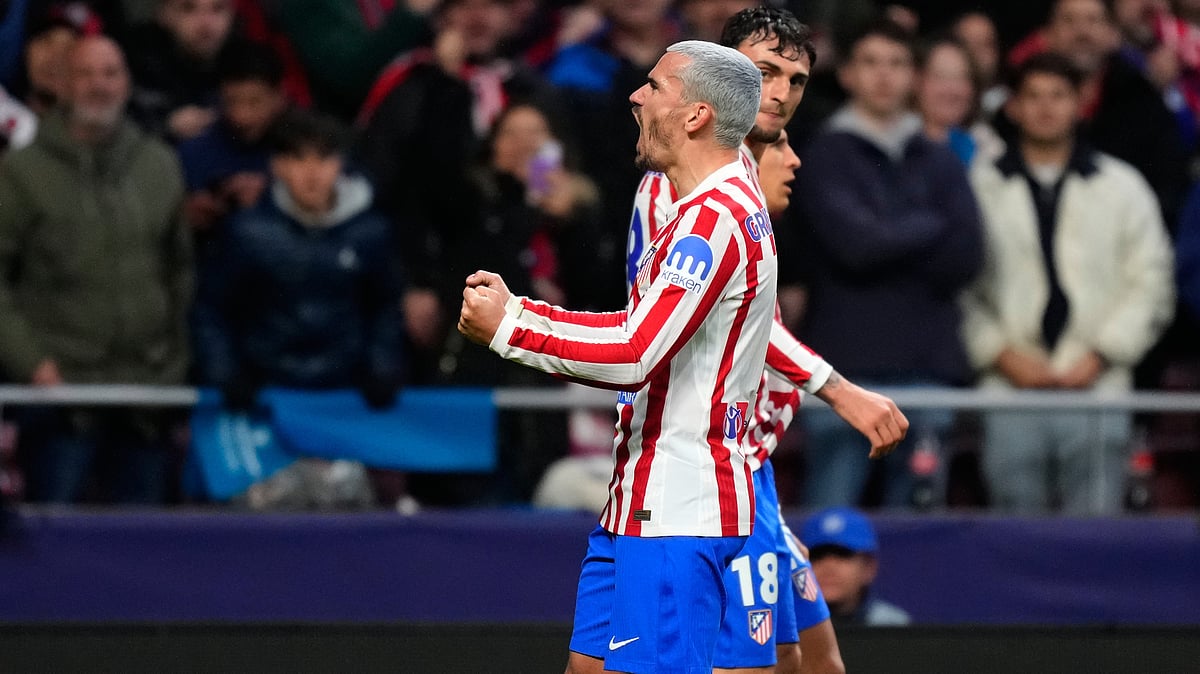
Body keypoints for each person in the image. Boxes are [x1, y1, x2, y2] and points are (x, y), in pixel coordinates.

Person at [459, 40, 771, 674]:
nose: (635, 95)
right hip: (641, 495)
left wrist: (511, 325)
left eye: (655, 87)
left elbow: (635, 351)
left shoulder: (713, 223)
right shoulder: (703, 205)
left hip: (678, 508)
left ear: (695, 116)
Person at [626, 9, 907, 673]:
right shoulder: (680, 184)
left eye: (797, 79)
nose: (779, 91)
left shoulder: (750, 179)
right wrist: (839, 392)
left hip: (749, 468)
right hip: (695, 469)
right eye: (764, 72)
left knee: (809, 660)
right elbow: (698, 326)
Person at [962, 53, 1174, 514]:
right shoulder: (977, 186)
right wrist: (999, 352)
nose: (1046, 108)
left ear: (1081, 104)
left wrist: (1101, 354)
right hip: (1009, 384)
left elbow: (1152, 281)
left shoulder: (1123, 186)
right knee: (1012, 531)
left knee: (1097, 533)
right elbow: (957, 287)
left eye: (1058, 96)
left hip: (1098, 384)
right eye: (1032, 96)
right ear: (1012, 107)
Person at [795, 19, 984, 510]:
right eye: (871, 63)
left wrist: (885, 234)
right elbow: (856, 246)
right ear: (848, 74)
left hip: (927, 365)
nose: (884, 76)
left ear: (915, 77)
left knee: (920, 523)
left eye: (898, 64)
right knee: (829, 525)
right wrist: (929, 224)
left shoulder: (941, 158)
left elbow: (967, 257)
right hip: (843, 372)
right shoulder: (822, 154)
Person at [0, 35, 192, 503]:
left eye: (110, 74)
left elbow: (181, 271)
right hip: (59, 394)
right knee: (53, 545)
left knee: (145, 550)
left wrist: (175, 360)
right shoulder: (20, 173)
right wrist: (31, 363)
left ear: (127, 84)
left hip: (147, 393)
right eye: (85, 74)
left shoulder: (160, 165)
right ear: (61, 85)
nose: (99, 86)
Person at [192, 107, 405, 413]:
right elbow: (211, 309)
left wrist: (382, 368)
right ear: (277, 166)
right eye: (298, 159)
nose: (312, 172)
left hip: (347, 397)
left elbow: (386, 306)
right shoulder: (246, 233)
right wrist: (226, 375)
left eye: (323, 158)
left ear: (340, 164)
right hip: (263, 397)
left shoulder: (370, 233)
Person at [177, 41, 288, 243]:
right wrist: (183, 219)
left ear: (279, 98)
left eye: (254, 102)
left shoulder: (307, 148)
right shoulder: (192, 152)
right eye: (232, 101)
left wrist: (274, 197)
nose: (241, 116)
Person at [801, 507, 911, 628]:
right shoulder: (785, 628)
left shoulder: (893, 627)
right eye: (817, 555)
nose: (829, 566)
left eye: (843, 554)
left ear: (869, 568)